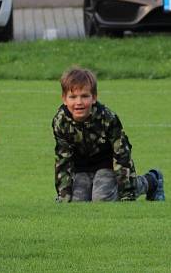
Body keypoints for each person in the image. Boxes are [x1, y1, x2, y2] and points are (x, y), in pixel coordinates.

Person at [52, 67, 164, 203]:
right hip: (80, 168)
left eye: (85, 96)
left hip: (106, 165)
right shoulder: (60, 121)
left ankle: (152, 180)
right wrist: (63, 196)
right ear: (64, 99)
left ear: (94, 97)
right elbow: (63, 159)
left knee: (102, 199)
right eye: (73, 97)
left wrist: (127, 193)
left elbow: (122, 154)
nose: (79, 102)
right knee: (76, 202)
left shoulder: (107, 118)